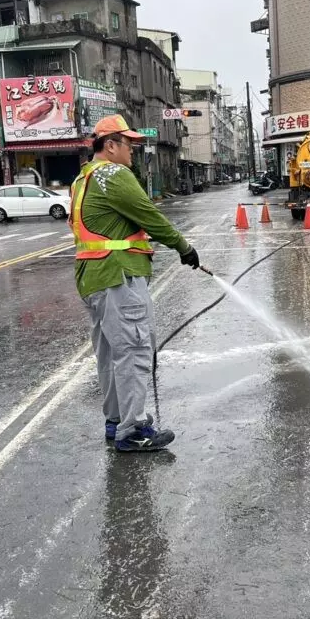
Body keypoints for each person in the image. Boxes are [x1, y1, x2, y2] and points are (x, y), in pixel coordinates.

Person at [70, 115, 200, 453]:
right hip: (118, 277)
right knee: (133, 351)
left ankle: (116, 423)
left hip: (94, 277)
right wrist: (184, 248)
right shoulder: (114, 174)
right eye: (129, 145)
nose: (133, 152)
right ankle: (132, 431)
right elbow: (150, 216)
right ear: (111, 146)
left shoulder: (82, 180)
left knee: (112, 354)